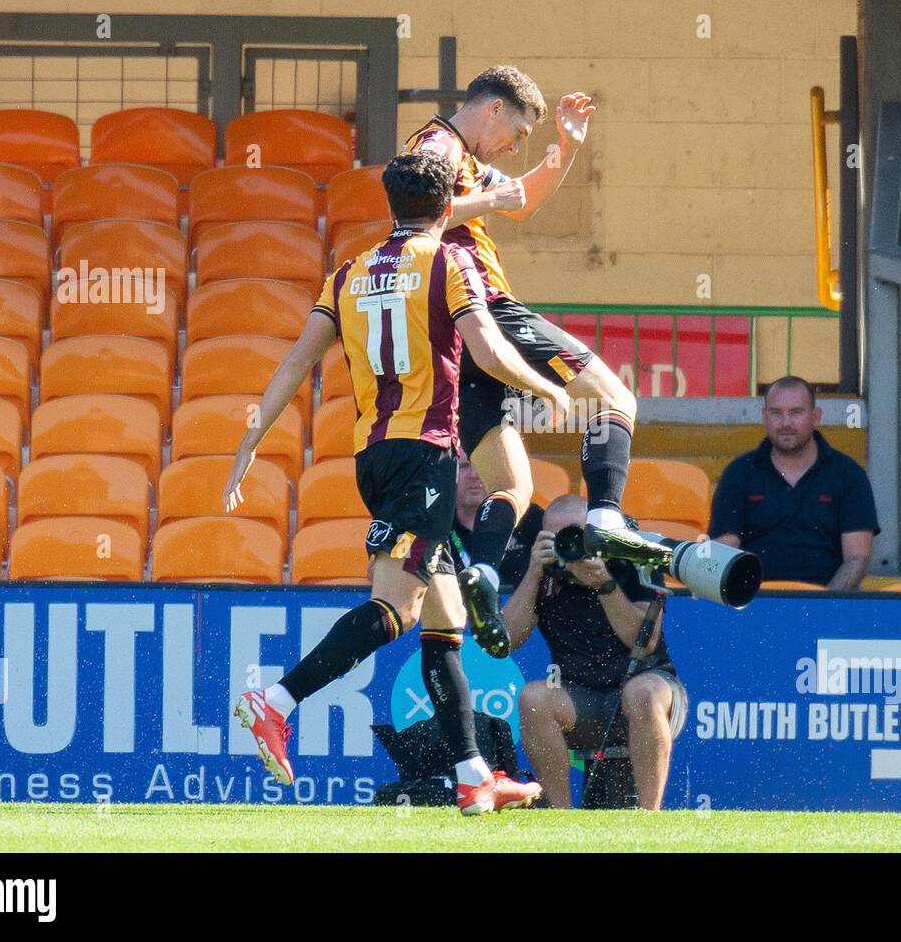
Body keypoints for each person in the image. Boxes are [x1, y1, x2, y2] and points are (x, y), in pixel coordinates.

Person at [224, 151, 570, 815]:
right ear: (448, 209)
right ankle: (274, 701)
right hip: (425, 456)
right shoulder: (449, 261)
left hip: (373, 454)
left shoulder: (348, 273)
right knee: (398, 609)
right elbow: (491, 349)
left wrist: (250, 440)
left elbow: (297, 363)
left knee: (444, 627)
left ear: (391, 206)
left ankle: (473, 776)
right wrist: (545, 385)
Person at [404, 65, 646, 657]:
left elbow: (521, 204)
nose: (517, 148)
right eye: (518, 134)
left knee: (512, 484)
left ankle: (483, 574)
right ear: (494, 110)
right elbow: (418, 215)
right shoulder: (436, 144)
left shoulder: (459, 153)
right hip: (482, 306)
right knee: (616, 400)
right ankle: (608, 516)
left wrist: (565, 148)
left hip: (452, 337)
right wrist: (491, 196)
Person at [504, 495, 687, 810]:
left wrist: (604, 584)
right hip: (580, 699)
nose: (568, 546)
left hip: (650, 690)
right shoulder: (542, 568)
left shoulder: (631, 556)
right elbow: (506, 639)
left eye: (575, 535)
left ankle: (650, 816)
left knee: (641, 692)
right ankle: (559, 816)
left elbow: (644, 642)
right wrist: (534, 573)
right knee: (533, 698)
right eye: (557, 537)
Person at [708, 375, 880, 589]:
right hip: (755, 602)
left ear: (816, 417)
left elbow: (857, 559)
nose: (785, 423)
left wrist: (821, 606)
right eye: (776, 413)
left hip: (825, 604)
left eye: (796, 413)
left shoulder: (848, 474)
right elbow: (724, 550)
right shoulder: (739, 472)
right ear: (765, 417)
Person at [450, 455, 543, 590]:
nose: (474, 475)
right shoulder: (438, 522)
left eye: (482, 466)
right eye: (464, 466)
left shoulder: (526, 515)